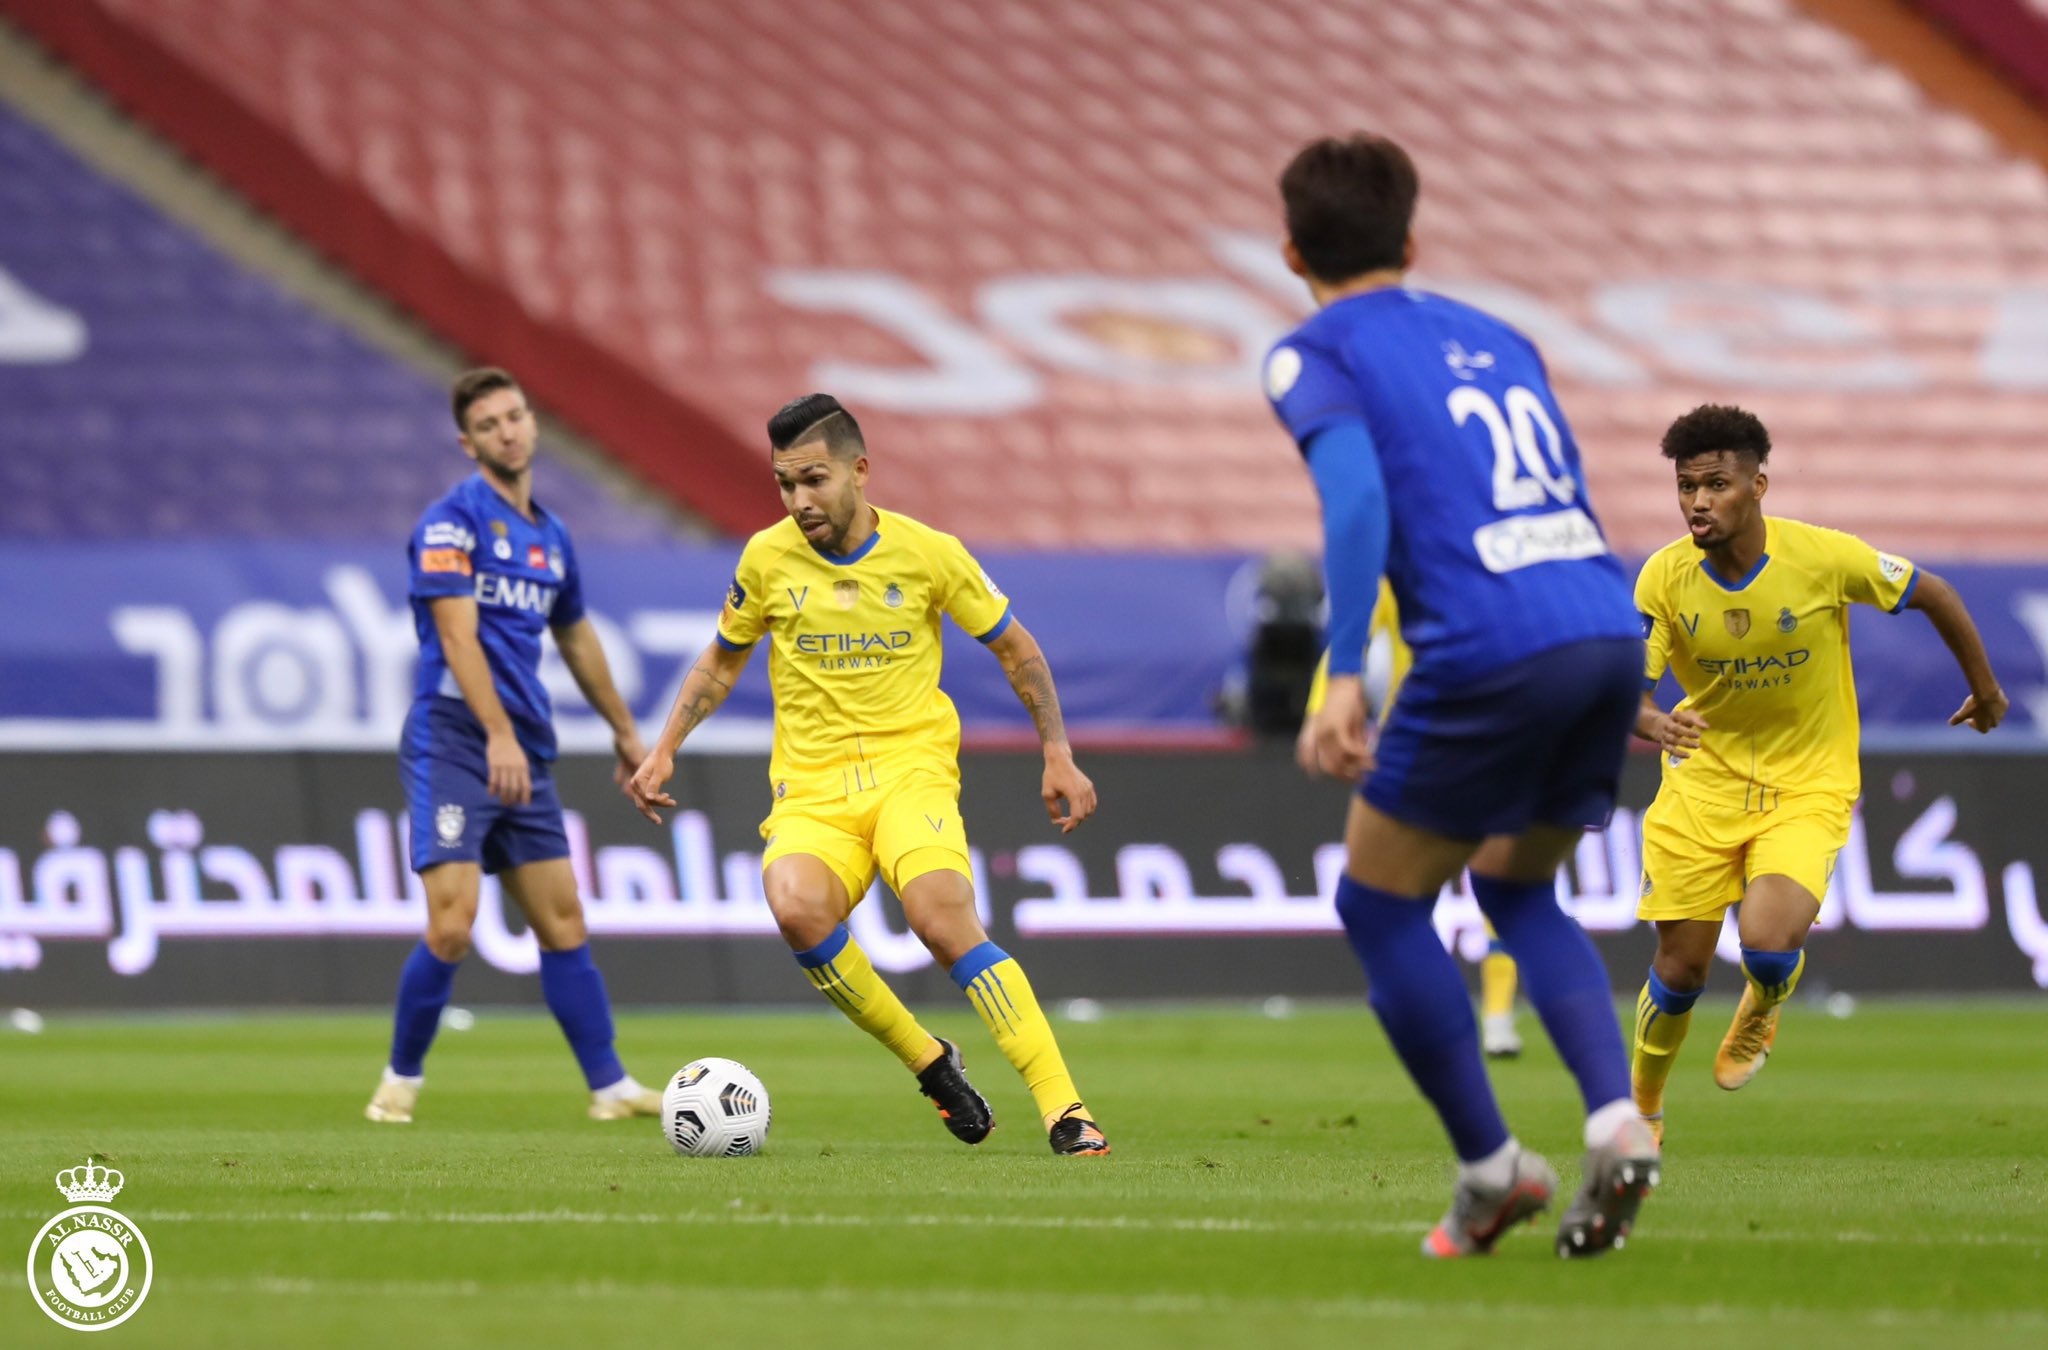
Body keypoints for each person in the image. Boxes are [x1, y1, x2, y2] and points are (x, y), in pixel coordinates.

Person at [1269, 133, 1657, 1258]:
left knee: (1379, 906)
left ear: (1291, 250)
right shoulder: (1501, 335)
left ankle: (1491, 1171)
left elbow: (1352, 502)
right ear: (1412, 237)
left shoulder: (1310, 354)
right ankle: (1615, 1116)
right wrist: (1598, 664)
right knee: (1516, 888)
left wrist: (1340, 672)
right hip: (1596, 625)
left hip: (1484, 647)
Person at [628, 393, 1109, 1156]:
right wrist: (665, 747)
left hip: (908, 771)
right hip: (813, 790)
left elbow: (1017, 649)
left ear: (859, 469)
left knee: (940, 919)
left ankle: (1065, 1110)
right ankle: (931, 1063)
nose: (799, 501)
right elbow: (723, 661)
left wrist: (1057, 751)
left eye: (813, 479)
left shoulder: (928, 553)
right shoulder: (765, 557)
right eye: (785, 484)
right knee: (794, 907)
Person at [1630, 404, 2006, 1142]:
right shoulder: (1664, 579)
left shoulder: (1824, 558)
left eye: (1716, 484)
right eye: (1686, 487)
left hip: (1806, 784)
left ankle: (1763, 1004)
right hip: (1701, 786)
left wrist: (1987, 690)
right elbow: (1627, 693)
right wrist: (1651, 722)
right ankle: (1640, 1108)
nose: (1698, 502)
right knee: (1679, 971)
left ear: (1758, 484)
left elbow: (1934, 592)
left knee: (1768, 946)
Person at [366, 368, 661, 1124]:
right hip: (456, 738)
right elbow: (457, 637)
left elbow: (576, 636)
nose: (509, 430)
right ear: (469, 443)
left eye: (517, 415)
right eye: (491, 423)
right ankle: (399, 1081)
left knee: (563, 920)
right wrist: (496, 733)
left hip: (524, 745)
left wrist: (626, 732)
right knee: (454, 923)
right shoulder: (449, 525)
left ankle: (610, 1086)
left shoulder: (550, 536)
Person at [1297, 582, 1525, 1059]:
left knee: (1496, 880)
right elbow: (1350, 635)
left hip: (1490, 734)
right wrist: (1320, 709)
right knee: (1403, 893)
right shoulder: (1394, 570)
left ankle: (1498, 1016)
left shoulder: (1492, 560)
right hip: (1421, 742)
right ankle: (1433, 1016)